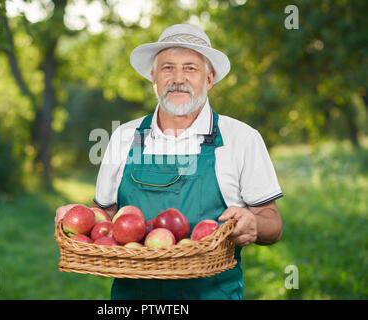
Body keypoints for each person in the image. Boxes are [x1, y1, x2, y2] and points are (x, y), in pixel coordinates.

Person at [55, 24, 283, 300]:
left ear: (209, 79)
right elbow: (103, 216)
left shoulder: (241, 139)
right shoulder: (126, 137)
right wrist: (77, 216)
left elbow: (273, 223)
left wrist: (255, 226)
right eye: (167, 68)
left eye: (190, 68)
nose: (178, 78)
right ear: (153, 77)